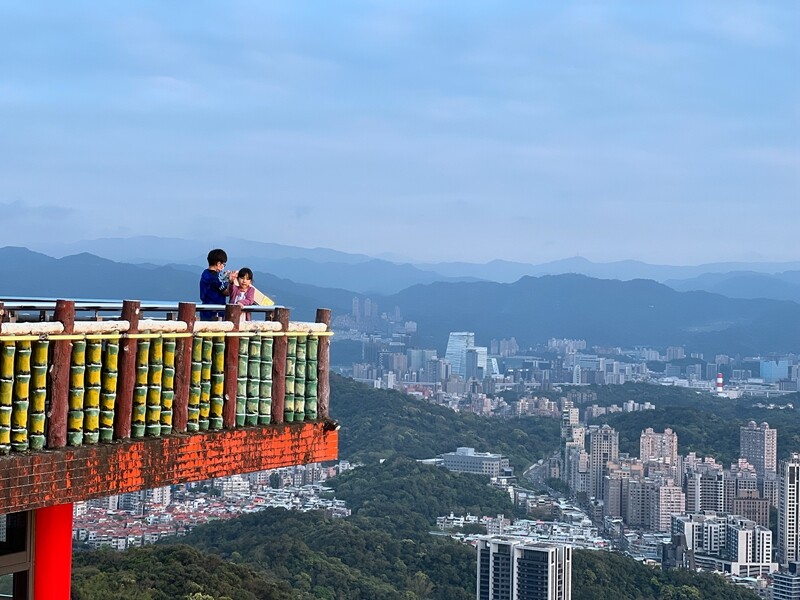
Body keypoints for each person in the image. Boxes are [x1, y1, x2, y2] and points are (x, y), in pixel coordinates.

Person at [199, 248, 236, 320]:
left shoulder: (205, 273)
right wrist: (230, 281)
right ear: (218, 264)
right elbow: (226, 292)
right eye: (223, 264)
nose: (223, 267)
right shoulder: (215, 277)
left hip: (205, 310)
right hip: (216, 312)